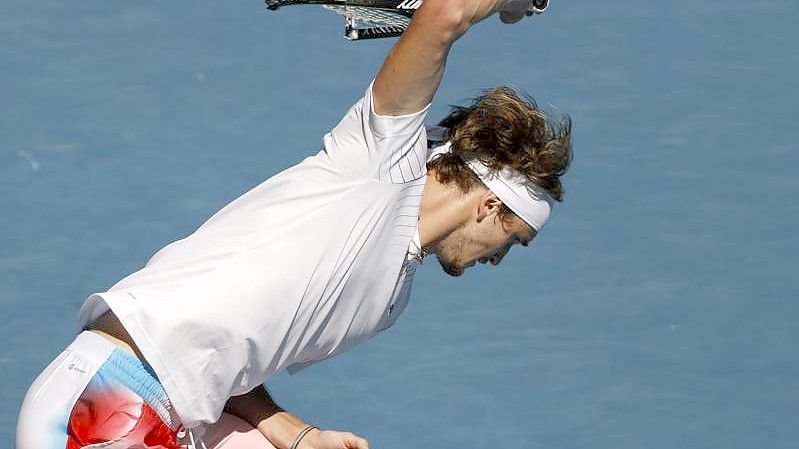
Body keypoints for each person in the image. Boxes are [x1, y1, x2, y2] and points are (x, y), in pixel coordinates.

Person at [16, 0, 572, 448]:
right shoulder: (379, 162)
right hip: (108, 400)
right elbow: (444, 14)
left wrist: (296, 433)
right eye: (513, 241)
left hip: (172, 408)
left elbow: (226, 357)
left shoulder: (389, 301)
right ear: (492, 205)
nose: (500, 258)